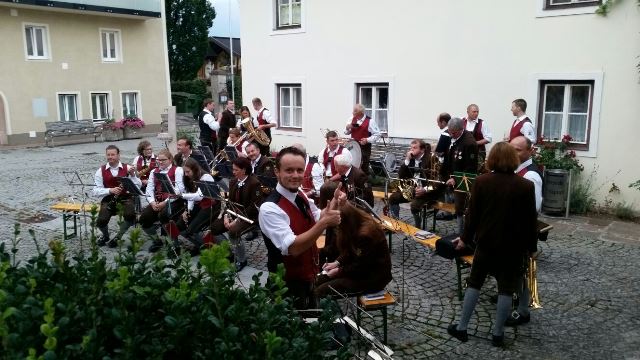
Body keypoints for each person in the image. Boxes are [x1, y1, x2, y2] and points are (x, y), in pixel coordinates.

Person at [447, 142, 537, 347]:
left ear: (492, 159)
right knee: (506, 289)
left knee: (475, 283)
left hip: (486, 244)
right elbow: (530, 221)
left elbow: (472, 217)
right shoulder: (525, 186)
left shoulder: (482, 181)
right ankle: (498, 334)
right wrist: (532, 248)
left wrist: (464, 239)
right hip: (513, 247)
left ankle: (462, 328)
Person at [259, 146, 343, 309]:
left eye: (299, 170)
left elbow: (318, 216)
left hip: (309, 275)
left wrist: (334, 205)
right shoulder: (269, 208)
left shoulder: (300, 194)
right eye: (289, 170)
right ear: (277, 172)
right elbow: (293, 247)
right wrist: (325, 223)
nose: (296, 175)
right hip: (286, 284)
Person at [315, 200, 392, 298]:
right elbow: (350, 252)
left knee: (320, 291)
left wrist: (338, 271)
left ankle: (320, 311)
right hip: (359, 271)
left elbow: (361, 267)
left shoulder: (366, 234)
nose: (336, 230)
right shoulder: (355, 224)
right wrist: (336, 263)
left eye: (338, 226)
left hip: (373, 278)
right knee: (317, 280)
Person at [507, 135, 543, 327]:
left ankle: (523, 310)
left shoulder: (531, 176)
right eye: (511, 148)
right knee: (513, 270)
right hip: (513, 230)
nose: (513, 152)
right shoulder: (516, 170)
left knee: (523, 271)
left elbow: (533, 208)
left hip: (521, 233)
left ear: (530, 151)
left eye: (518, 150)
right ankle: (508, 294)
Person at [210, 157, 262, 271]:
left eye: (235, 170)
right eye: (233, 170)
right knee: (214, 228)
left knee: (233, 233)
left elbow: (253, 207)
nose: (233, 172)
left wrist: (236, 221)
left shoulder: (254, 183)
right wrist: (226, 217)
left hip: (249, 216)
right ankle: (229, 252)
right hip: (233, 213)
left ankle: (242, 259)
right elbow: (229, 202)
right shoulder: (233, 181)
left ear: (244, 170)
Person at [93, 145, 142, 247]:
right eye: (108, 155)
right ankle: (105, 236)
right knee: (101, 221)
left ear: (118, 155)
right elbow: (95, 191)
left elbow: (138, 185)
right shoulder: (100, 171)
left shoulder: (128, 168)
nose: (110, 157)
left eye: (113, 154)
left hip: (126, 198)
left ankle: (118, 237)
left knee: (130, 215)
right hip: (109, 198)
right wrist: (110, 190)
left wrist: (133, 175)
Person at [139, 149, 186, 253]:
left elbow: (180, 189)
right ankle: (157, 241)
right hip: (157, 201)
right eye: (158, 160)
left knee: (164, 216)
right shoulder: (153, 171)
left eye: (163, 160)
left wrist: (165, 202)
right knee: (144, 219)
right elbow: (149, 189)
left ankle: (175, 244)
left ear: (170, 160)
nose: (160, 162)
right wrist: (152, 202)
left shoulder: (177, 170)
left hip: (174, 201)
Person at [387, 139, 440, 228]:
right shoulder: (411, 159)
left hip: (427, 191)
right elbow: (401, 176)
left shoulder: (432, 159)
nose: (411, 150)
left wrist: (425, 189)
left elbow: (437, 183)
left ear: (422, 150)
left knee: (414, 205)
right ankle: (395, 223)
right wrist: (407, 160)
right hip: (413, 189)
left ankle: (417, 228)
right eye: (411, 148)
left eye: (414, 148)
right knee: (393, 198)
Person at [440, 117, 479, 235]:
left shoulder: (469, 143)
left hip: (462, 180)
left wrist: (455, 178)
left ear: (461, 129)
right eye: (450, 132)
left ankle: (461, 235)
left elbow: (471, 168)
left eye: (453, 133)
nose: (451, 135)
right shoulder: (452, 135)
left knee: (460, 207)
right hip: (450, 174)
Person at [176, 158, 221, 255]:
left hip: (211, 206)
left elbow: (199, 196)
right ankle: (200, 245)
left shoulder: (205, 177)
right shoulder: (189, 177)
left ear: (195, 169)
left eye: (188, 171)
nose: (186, 174)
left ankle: (212, 248)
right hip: (200, 205)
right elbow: (191, 194)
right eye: (185, 172)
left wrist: (181, 195)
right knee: (180, 224)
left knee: (192, 229)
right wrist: (188, 210)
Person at [344, 103, 381, 175]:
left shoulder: (370, 121)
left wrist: (367, 140)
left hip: (364, 147)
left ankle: (363, 183)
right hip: (353, 146)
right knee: (352, 165)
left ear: (361, 113)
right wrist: (347, 128)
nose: (352, 113)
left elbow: (378, 134)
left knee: (363, 167)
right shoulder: (351, 118)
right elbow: (346, 132)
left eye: (355, 111)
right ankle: (352, 183)